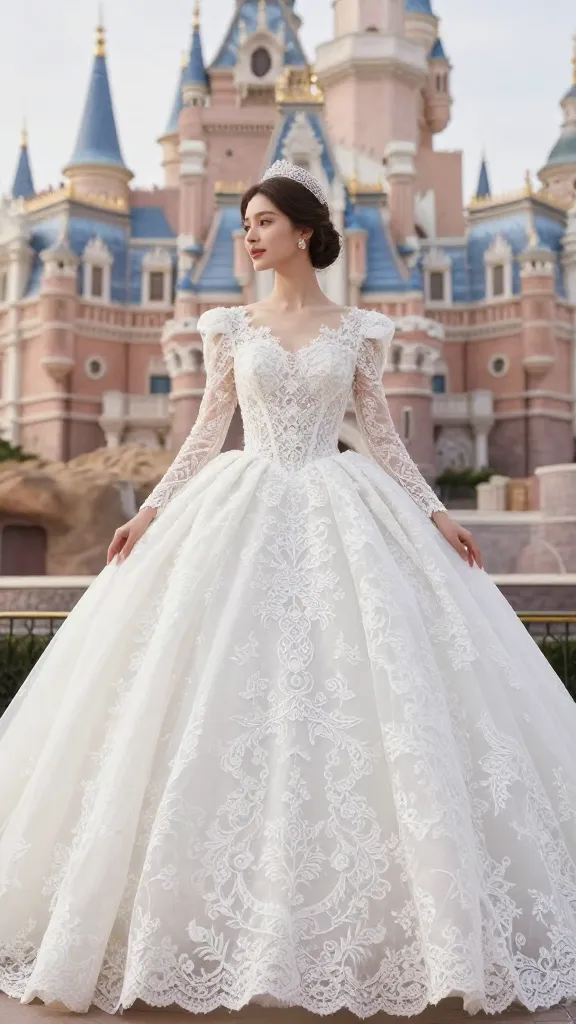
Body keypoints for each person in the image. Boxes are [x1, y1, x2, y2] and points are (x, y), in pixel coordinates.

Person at [1, 161, 576, 1020]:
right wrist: (152, 511)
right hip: (243, 506)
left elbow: (381, 436)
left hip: (347, 508)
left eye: (262, 221)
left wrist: (433, 515)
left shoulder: (358, 331)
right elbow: (203, 433)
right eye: (243, 222)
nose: (248, 235)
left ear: (303, 232)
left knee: (361, 695)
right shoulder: (227, 325)